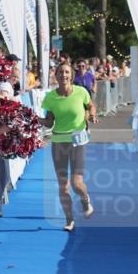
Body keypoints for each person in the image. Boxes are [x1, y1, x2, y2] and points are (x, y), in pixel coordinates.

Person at [41, 63, 94, 232]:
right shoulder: (50, 97)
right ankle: (69, 219)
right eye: (60, 72)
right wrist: (37, 120)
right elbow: (49, 122)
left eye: (67, 72)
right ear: (55, 76)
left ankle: (85, 199)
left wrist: (92, 114)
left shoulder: (81, 92)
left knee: (76, 183)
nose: (63, 75)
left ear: (71, 76)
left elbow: (90, 105)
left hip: (78, 141)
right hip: (59, 142)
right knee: (63, 186)